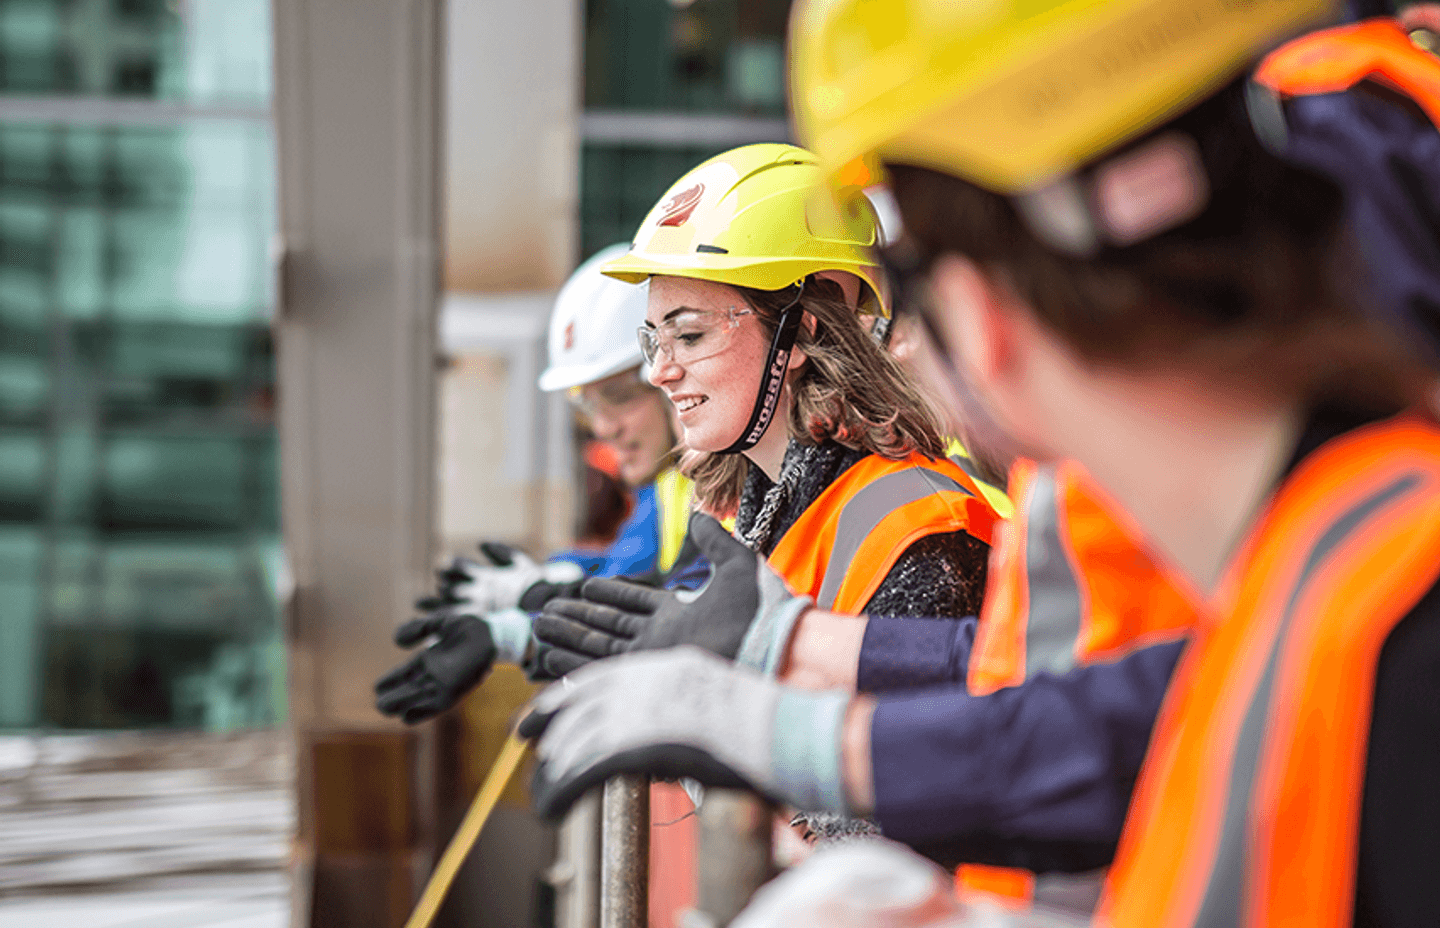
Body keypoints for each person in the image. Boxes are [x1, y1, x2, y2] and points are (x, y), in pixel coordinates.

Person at [521, 1, 1440, 926]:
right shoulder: (1344, 574)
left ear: (979, 317)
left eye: (902, 300)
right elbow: (1172, 721)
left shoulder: (1364, 614)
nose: (897, 348)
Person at [536, 143, 1004, 684]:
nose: (660, 372)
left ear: (804, 331)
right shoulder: (756, 505)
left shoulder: (919, 528)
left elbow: (908, 754)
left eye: (689, 335)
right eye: (654, 341)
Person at [373, 244, 694, 724]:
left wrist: (521, 624)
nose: (604, 429)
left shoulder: (711, 487)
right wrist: (548, 580)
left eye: (622, 397)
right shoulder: (668, 489)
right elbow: (628, 575)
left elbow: (671, 612)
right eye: (587, 405)